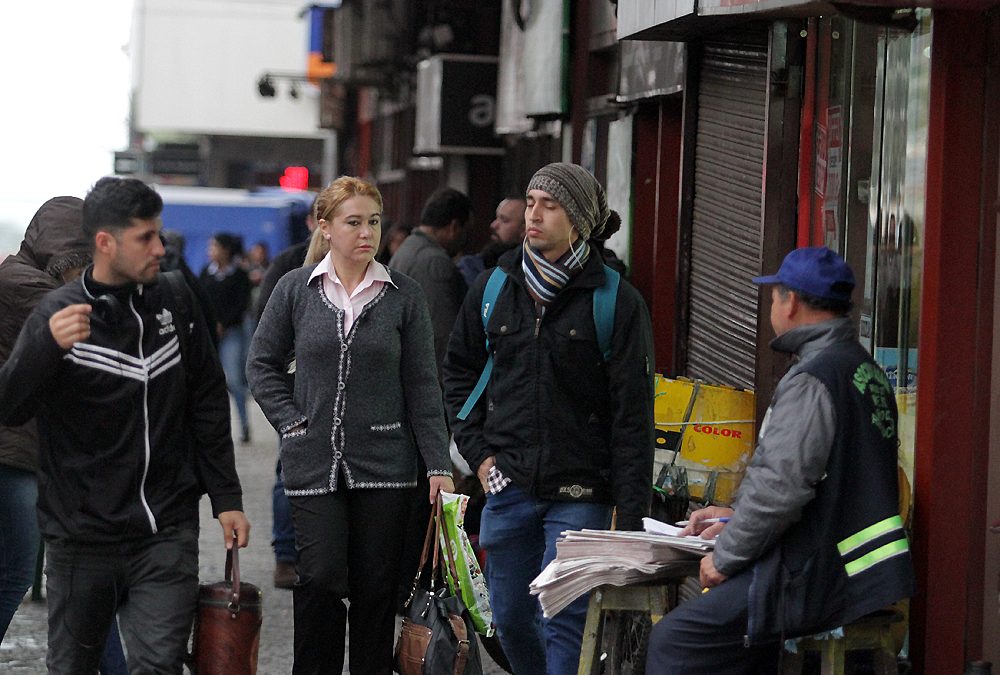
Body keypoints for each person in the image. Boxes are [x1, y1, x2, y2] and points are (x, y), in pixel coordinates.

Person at [0, 176, 250, 674]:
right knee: (73, 662)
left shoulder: (176, 300)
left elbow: (206, 397)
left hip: (165, 526)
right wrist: (44, 346)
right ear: (105, 242)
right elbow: (10, 406)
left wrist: (226, 498)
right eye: (146, 237)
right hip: (82, 530)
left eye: (160, 234)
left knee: (157, 664)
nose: (161, 248)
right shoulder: (53, 310)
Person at [645, 247, 916, 674]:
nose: (772, 305)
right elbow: (826, 482)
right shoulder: (864, 369)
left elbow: (780, 488)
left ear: (790, 302)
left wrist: (725, 556)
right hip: (861, 573)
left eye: (774, 296)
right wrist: (734, 518)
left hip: (819, 576)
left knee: (676, 641)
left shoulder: (813, 379)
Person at [443, 162, 655, 675]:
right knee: (510, 619)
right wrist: (480, 454)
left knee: (565, 620)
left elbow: (633, 418)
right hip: (508, 485)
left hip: (582, 493)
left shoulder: (616, 302)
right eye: (531, 202)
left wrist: (628, 518)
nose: (532, 215)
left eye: (549, 206)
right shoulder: (495, 287)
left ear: (578, 221)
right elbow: (457, 375)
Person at [247, 176, 455, 674]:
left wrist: (437, 465)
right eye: (354, 222)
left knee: (376, 589)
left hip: (387, 466)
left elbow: (424, 386)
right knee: (317, 580)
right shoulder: (296, 288)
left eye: (374, 222)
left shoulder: (404, 295)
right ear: (326, 227)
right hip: (312, 463)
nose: (367, 233)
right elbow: (261, 363)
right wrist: (292, 424)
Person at [254, 199, 318, 590]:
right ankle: (285, 555)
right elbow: (266, 338)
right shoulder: (289, 267)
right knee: (288, 471)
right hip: (297, 392)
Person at [389, 187, 470, 372]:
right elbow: (441, 334)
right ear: (454, 227)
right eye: (466, 231)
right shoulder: (435, 262)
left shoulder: (406, 250)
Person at [200, 232, 253, 443]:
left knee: (233, 380)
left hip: (232, 333)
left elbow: (241, 305)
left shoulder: (239, 275)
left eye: (214, 246)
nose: (210, 251)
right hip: (210, 334)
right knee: (208, 382)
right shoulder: (206, 273)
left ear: (225, 250)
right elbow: (200, 299)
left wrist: (224, 323)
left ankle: (244, 425)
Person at [457, 196, 526, 289]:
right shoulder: (470, 267)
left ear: (524, 230)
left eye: (504, 220)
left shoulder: (531, 274)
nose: (493, 225)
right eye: (496, 218)